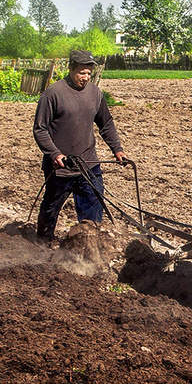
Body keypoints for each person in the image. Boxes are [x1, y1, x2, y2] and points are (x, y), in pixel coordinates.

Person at [32, 49, 126, 242]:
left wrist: (117, 149)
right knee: (51, 207)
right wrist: (55, 154)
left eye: (89, 73)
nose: (85, 77)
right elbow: (40, 129)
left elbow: (106, 123)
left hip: (88, 164)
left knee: (93, 209)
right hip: (61, 167)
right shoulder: (53, 94)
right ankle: (42, 244)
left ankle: (87, 249)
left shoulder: (95, 93)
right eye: (82, 73)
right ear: (71, 69)